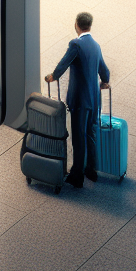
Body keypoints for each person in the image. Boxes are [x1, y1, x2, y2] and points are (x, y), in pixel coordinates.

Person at [44, 11, 111, 188]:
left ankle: (77, 175)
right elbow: (104, 69)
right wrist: (105, 82)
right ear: (90, 25)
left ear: (76, 24)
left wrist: (53, 76)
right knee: (91, 133)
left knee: (78, 137)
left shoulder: (76, 44)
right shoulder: (96, 45)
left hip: (80, 100)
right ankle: (92, 170)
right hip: (94, 98)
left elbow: (64, 64)